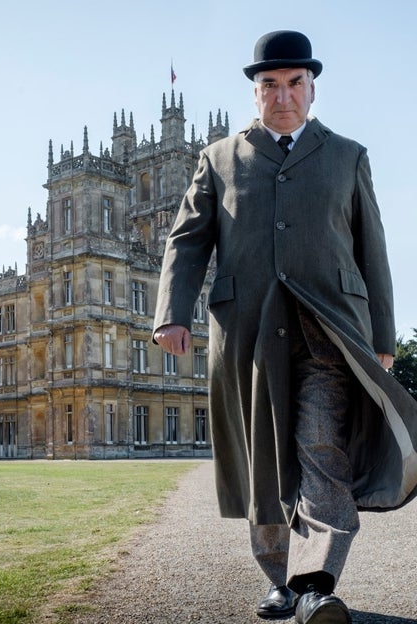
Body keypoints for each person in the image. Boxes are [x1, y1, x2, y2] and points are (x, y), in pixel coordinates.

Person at [153, 30, 417, 624]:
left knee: (323, 448)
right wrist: (171, 312)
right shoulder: (219, 158)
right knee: (263, 458)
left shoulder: (347, 155)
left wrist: (382, 339)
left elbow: (373, 251)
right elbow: (187, 241)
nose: (282, 95)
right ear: (255, 94)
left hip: (331, 329)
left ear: (312, 88)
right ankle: (280, 580)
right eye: (269, 85)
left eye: (294, 83)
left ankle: (316, 580)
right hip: (248, 330)